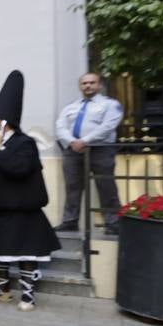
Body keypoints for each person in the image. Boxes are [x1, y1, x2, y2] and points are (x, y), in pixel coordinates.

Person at [0, 71, 61, 311]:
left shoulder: (24, 143)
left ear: (2, 119)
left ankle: (28, 296)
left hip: (21, 209)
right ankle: (2, 289)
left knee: (26, 253)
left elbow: (18, 169)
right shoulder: (0, 142)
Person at [55, 72, 123, 235]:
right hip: (73, 151)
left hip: (100, 149)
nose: (88, 86)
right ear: (80, 86)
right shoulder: (71, 106)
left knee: (105, 185)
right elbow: (60, 126)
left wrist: (84, 141)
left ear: (99, 85)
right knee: (72, 187)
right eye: (84, 83)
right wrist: (72, 142)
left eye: (92, 83)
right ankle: (70, 221)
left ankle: (113, 222)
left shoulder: (110, 104)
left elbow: (108, 126)